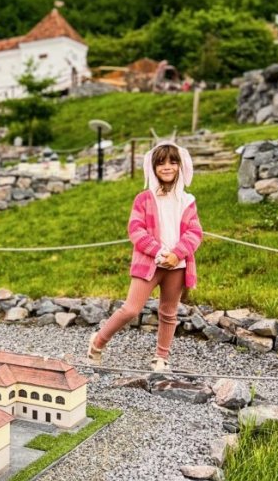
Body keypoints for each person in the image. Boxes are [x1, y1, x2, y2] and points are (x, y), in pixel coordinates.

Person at [87, 142, 203, 373]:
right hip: (150, 263)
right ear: (153, 167)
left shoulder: (187, 200)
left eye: (172, 162)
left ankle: (161, 358)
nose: (167, 167)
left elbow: (195, 232)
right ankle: (97, 343)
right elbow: (136, 230)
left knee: (169, 313)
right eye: (161, 163)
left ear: (181, 165)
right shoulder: (144, 198)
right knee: (130, 309)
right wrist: (159, 252)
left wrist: (176, 254)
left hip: (177, 265)